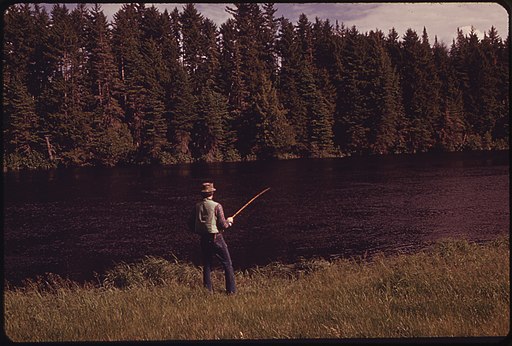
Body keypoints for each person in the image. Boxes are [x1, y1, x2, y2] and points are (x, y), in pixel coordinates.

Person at [188, 182, 236, 294]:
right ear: (212, 193)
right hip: (216, 238)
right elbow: (223, 225)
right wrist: (229, 222)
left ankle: (207, 291)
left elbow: (190, 223)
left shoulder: (197, 206)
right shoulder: (217, 206)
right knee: (227, 264)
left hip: (203, 238)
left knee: (207, 265)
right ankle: (231, 292)